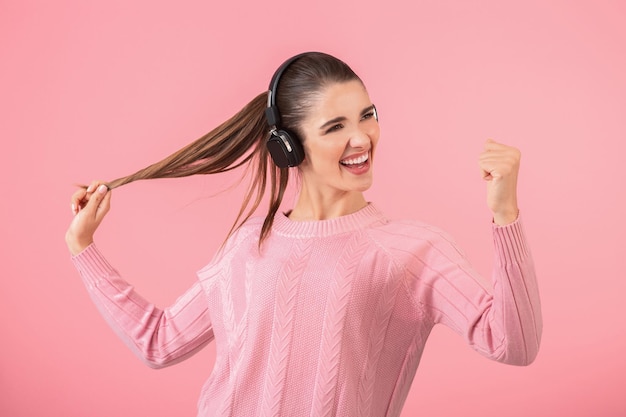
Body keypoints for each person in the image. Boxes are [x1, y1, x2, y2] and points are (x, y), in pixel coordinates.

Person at [65, 51, 542, 417]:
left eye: (368, 115)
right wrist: (82, 248)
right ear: (287, 145)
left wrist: (506, 215)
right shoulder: (247, 245)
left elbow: (514, 344)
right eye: (335, 126)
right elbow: (159, 342)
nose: (362, 139)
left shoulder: (412, 251)